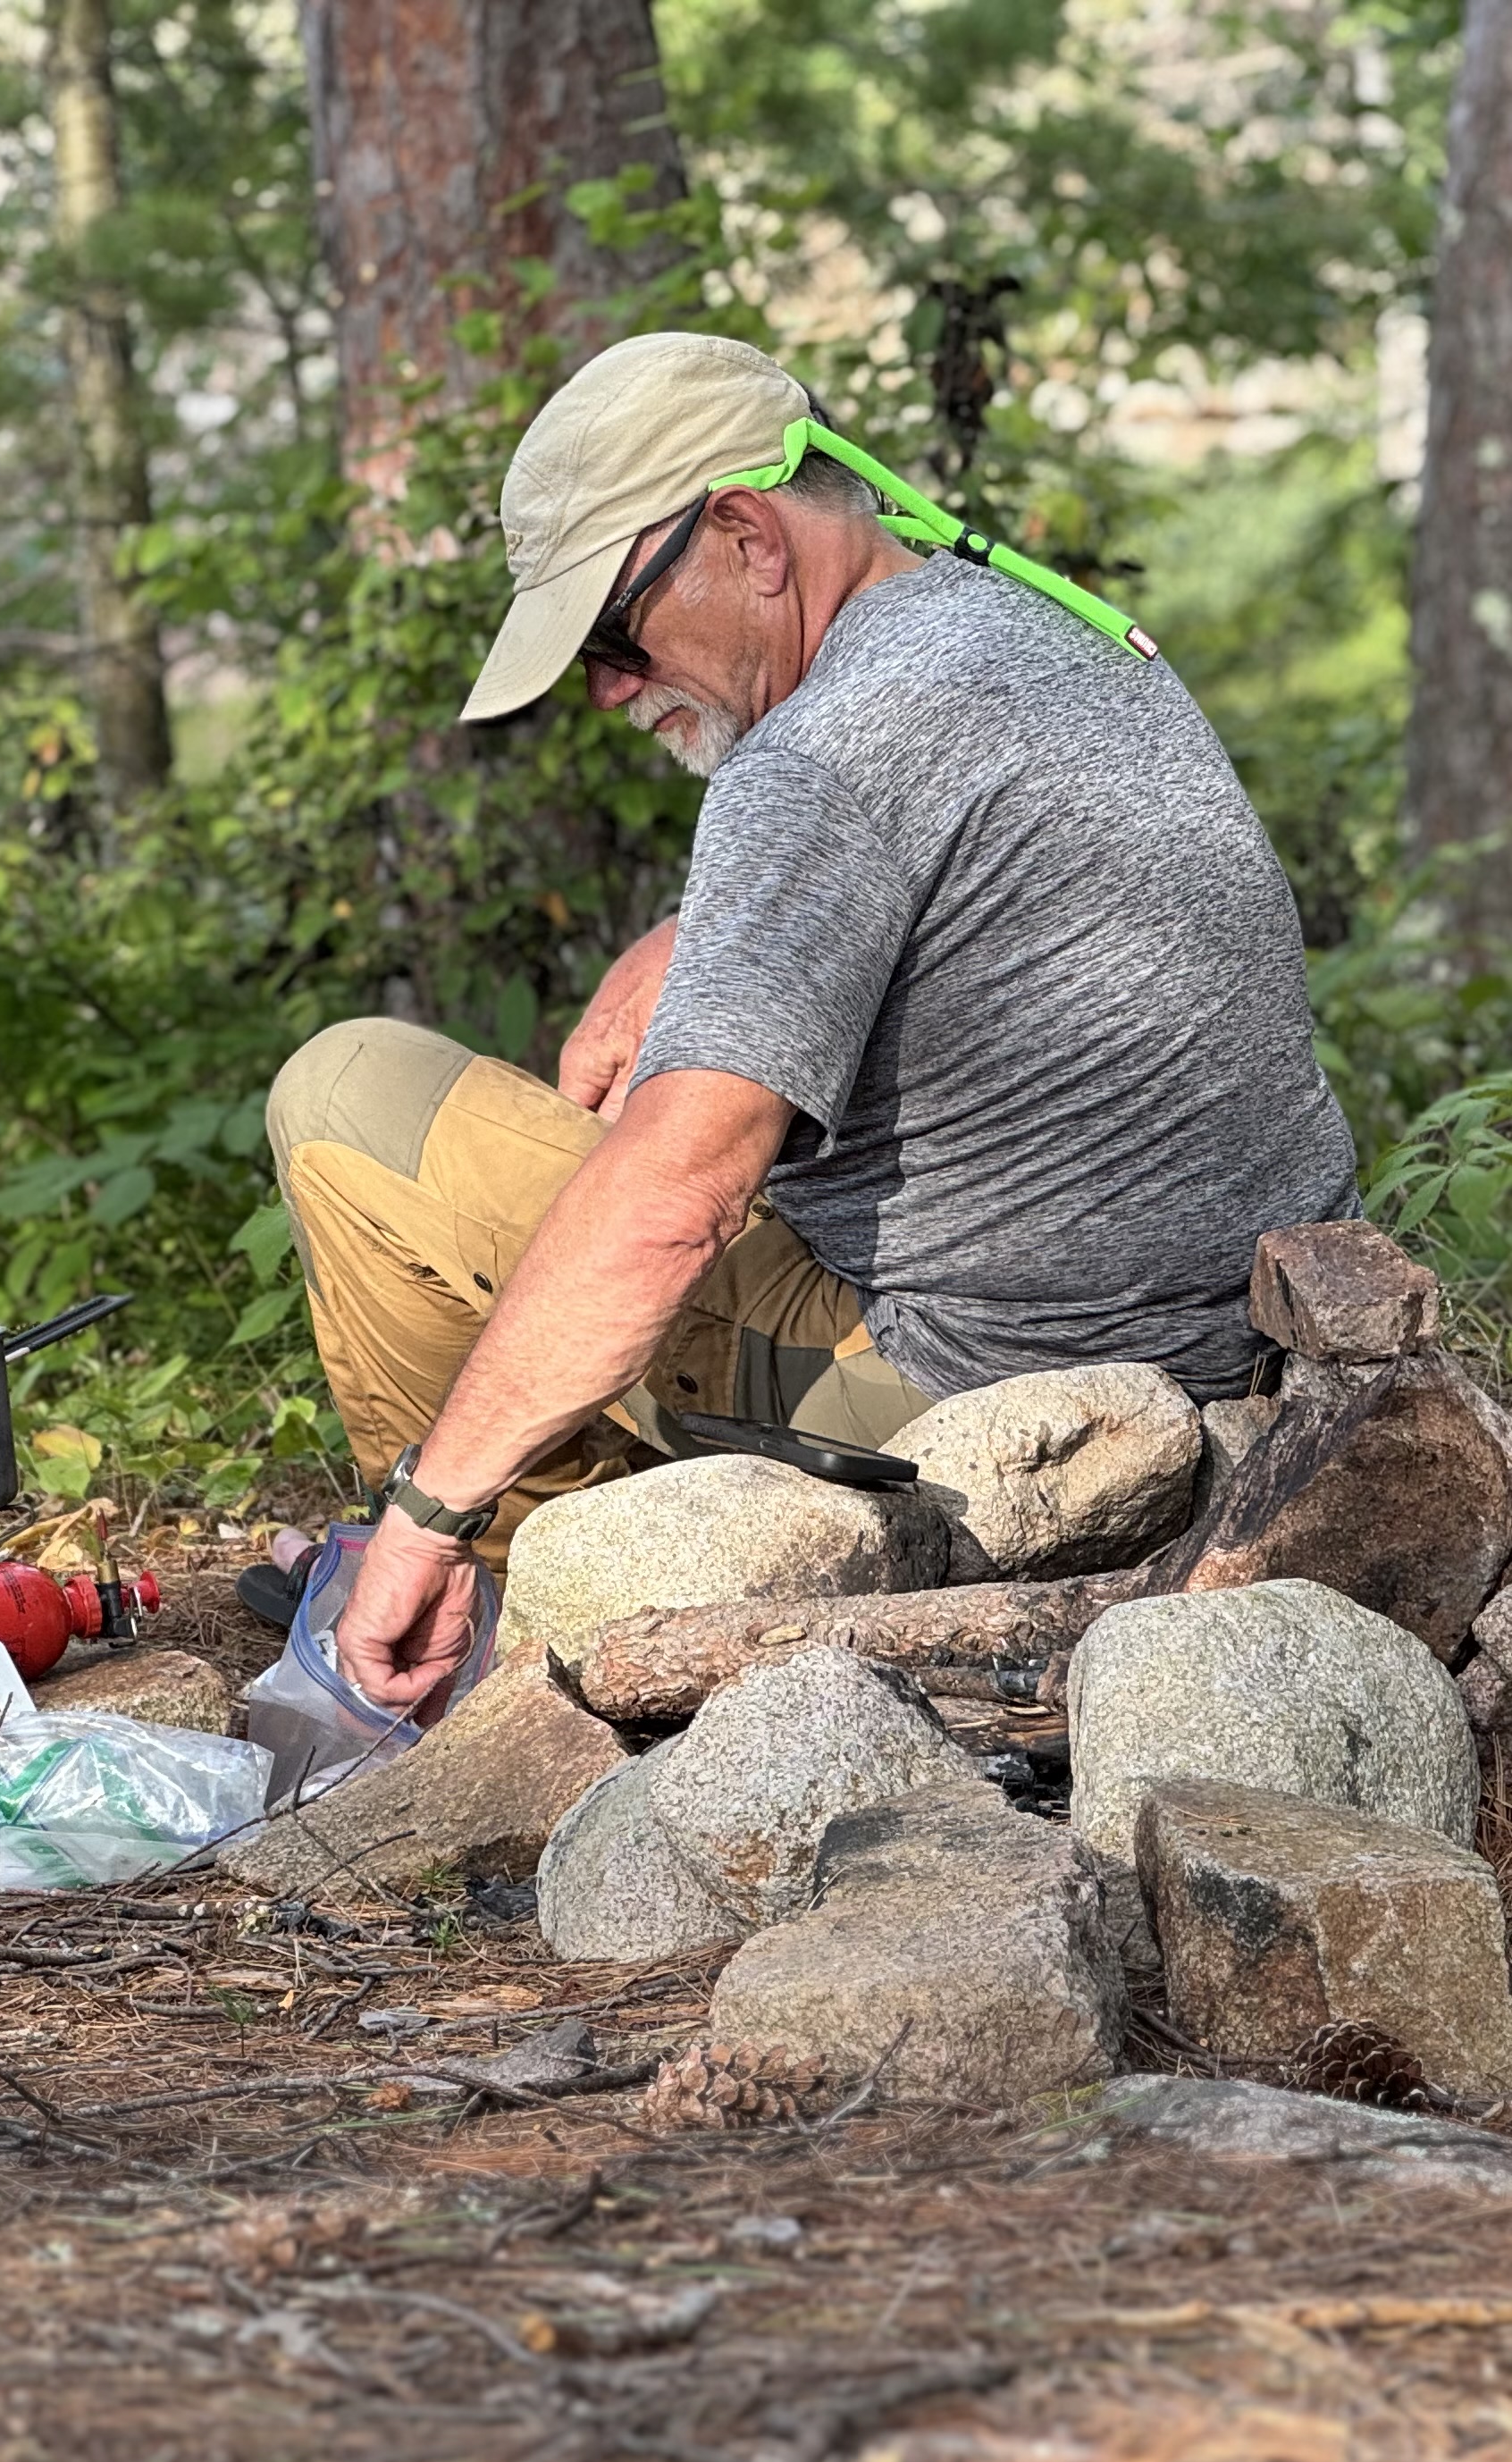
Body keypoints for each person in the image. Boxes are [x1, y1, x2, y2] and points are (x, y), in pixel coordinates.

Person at [260, 330, 1360, 1712]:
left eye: (612, 634)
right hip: (1225, 1363)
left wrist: (431, 1503)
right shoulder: (1034, 629)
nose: (605, 690)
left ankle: (490, 1608)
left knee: (349, 1087)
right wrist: (698, 937)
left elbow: (674, 1201)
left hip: (967, 1420)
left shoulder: (824, 757)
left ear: (745, 538)